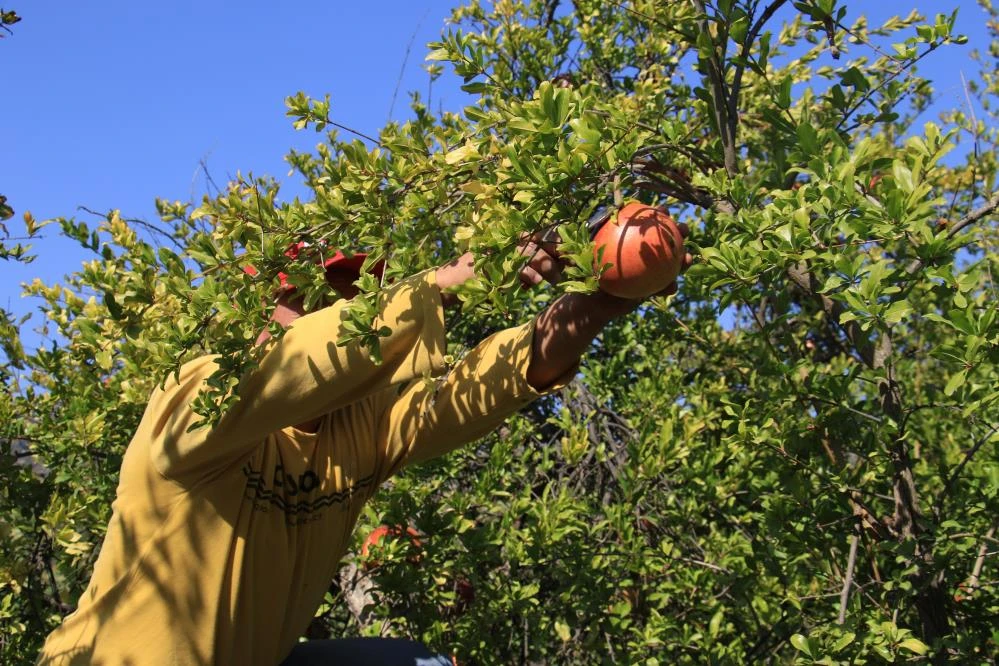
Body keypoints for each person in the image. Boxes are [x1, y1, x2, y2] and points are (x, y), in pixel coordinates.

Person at [37, 219, 691, 665]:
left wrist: (593, 302)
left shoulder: (362, 426)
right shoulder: (197, 401)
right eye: (308, 301)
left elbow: (488, 385)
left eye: (350, 300)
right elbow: (306, 361)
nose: (332, 313)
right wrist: (451, 282)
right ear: (249, 316)